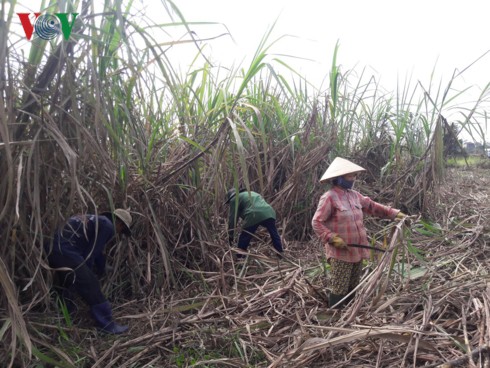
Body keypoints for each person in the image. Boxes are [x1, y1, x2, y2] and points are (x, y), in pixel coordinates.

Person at [311, 157, 407, 309]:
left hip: (357, 250)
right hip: (340, 252)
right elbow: (316, 222)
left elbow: (372, 206)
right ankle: (335, 314)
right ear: (339, 178)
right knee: (339, 286)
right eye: (350, 176)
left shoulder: (354, 195)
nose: (353, 179)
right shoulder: (329, 197)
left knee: (353, 284)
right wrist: (332, 238)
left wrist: (395, 214)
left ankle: (349, 312)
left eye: (354, 175)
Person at [44, 208, 132, 334]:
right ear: (120, 224)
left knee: (67, 283)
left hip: (52, 248)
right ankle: (108, 325)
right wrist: (89, 275)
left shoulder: (93, 219)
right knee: (91, 285)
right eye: (122, 231)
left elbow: (96, 252)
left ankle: (66, 318)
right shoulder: (108, 226)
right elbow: (91, 254)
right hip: (67, 251)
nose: (118, 233)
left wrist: (102, 267)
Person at [225, 188, 284, 259]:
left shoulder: (234, 199)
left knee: (245, 236)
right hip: (270, 212)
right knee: (274, 234)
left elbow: (232, 218)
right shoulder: (252, 193)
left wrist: (230, 235)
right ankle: (280, 253)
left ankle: (240, 257)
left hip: (253, 214)